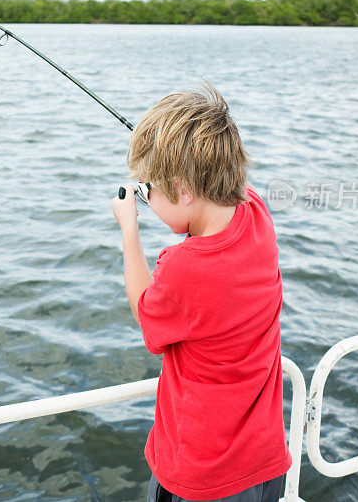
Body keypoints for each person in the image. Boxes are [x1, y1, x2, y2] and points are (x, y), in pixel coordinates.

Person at [111, 82, 291, 502]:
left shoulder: (184, 268)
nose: (145, 196)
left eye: (146, 188)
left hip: (202, 478)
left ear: (185, 189)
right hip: (264, 466)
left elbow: (146, 315)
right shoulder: (256, 213)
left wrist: (129, 228)